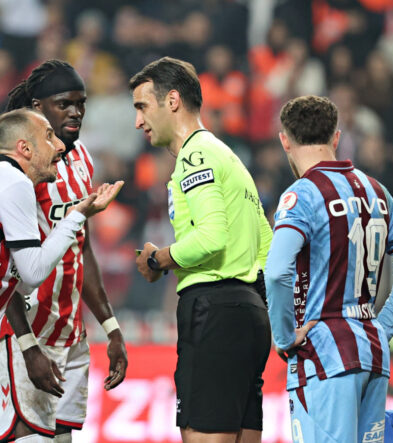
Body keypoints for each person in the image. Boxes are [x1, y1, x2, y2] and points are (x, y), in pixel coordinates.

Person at [0, 108, 123, 443]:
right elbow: (34, 271)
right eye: (49, 137)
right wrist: (77, 215)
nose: (58, 146)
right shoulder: (16, 184)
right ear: (25, 149)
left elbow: (14, 278)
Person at [264, 95, 393, 442]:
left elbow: (277, 272)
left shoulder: (301, 195)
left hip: (324, 355)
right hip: (372, 353)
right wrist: (381, 328)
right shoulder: (376, 191)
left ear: (285, 140)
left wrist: (283, 337)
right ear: (335, 138)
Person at [130, 56, 273, 443]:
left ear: (172, 100)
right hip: (250, 314)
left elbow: (212, 237)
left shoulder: (195, 156)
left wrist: (158, 259)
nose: (138, 121)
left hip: (213, 312)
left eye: (143, 107)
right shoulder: (230, 158)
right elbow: (267, 245)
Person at [0, 59, 128, 442]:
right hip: (27, 334)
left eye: (81, 103)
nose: (75, 112)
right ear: (37, 108)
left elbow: (83, 248)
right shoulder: (16, 168)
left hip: (71, 333)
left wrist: (111, 327)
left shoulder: (81, 157)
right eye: (64, 103)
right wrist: (27, 345)